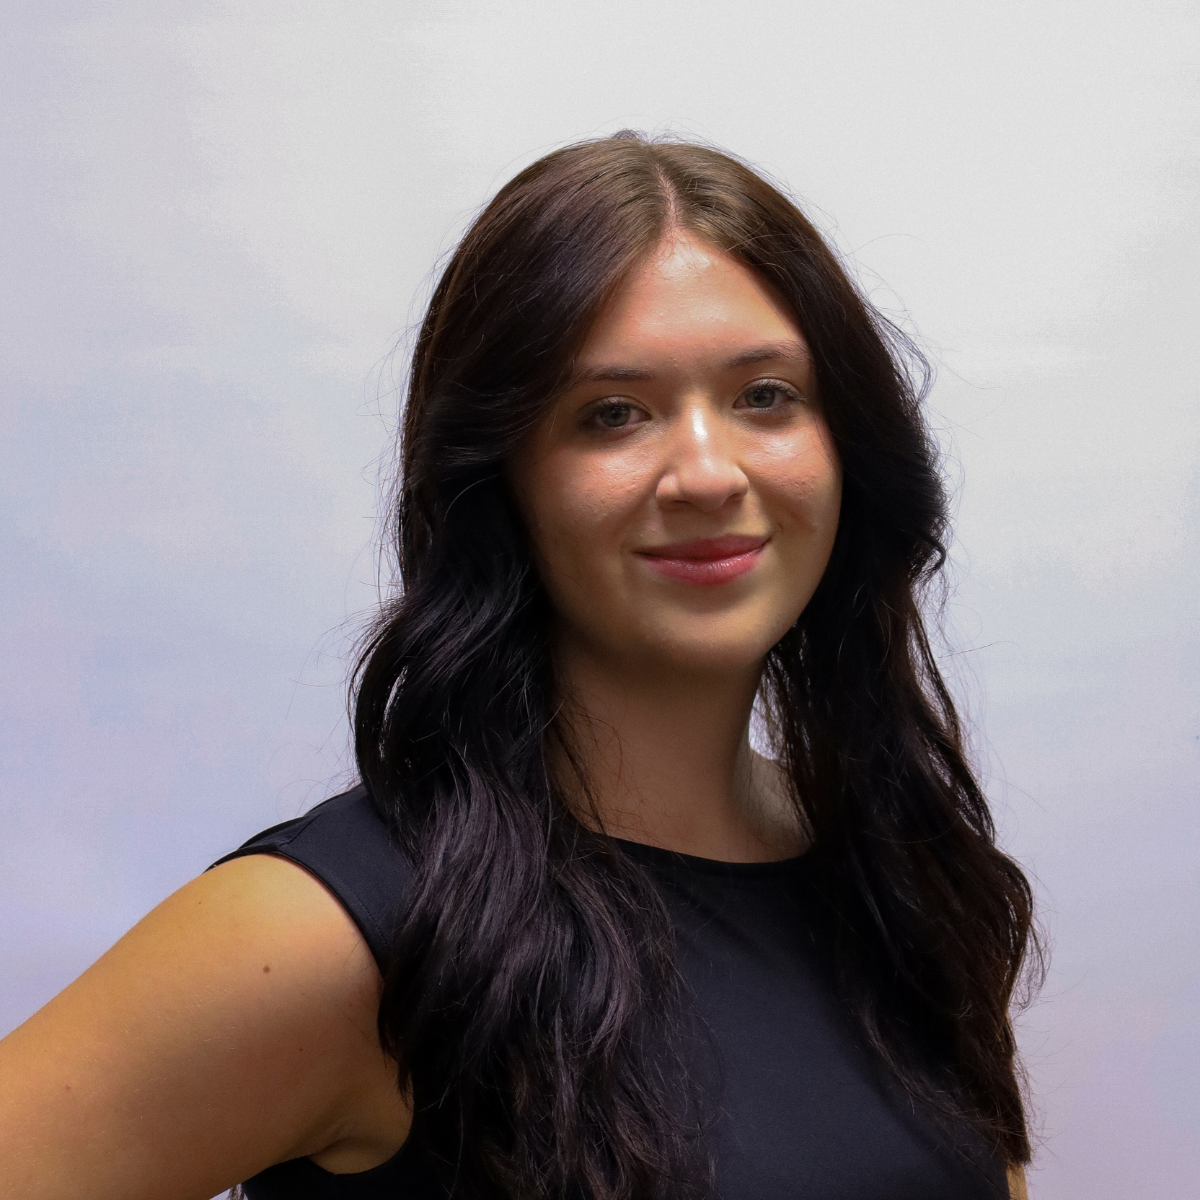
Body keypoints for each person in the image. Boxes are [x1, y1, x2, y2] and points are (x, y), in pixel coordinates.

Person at [0, 132, 1037, 1200]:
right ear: (501, 482)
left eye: (764, 395)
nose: (706, 471)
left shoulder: (900, 875)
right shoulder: (340, 934)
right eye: (613, 414)